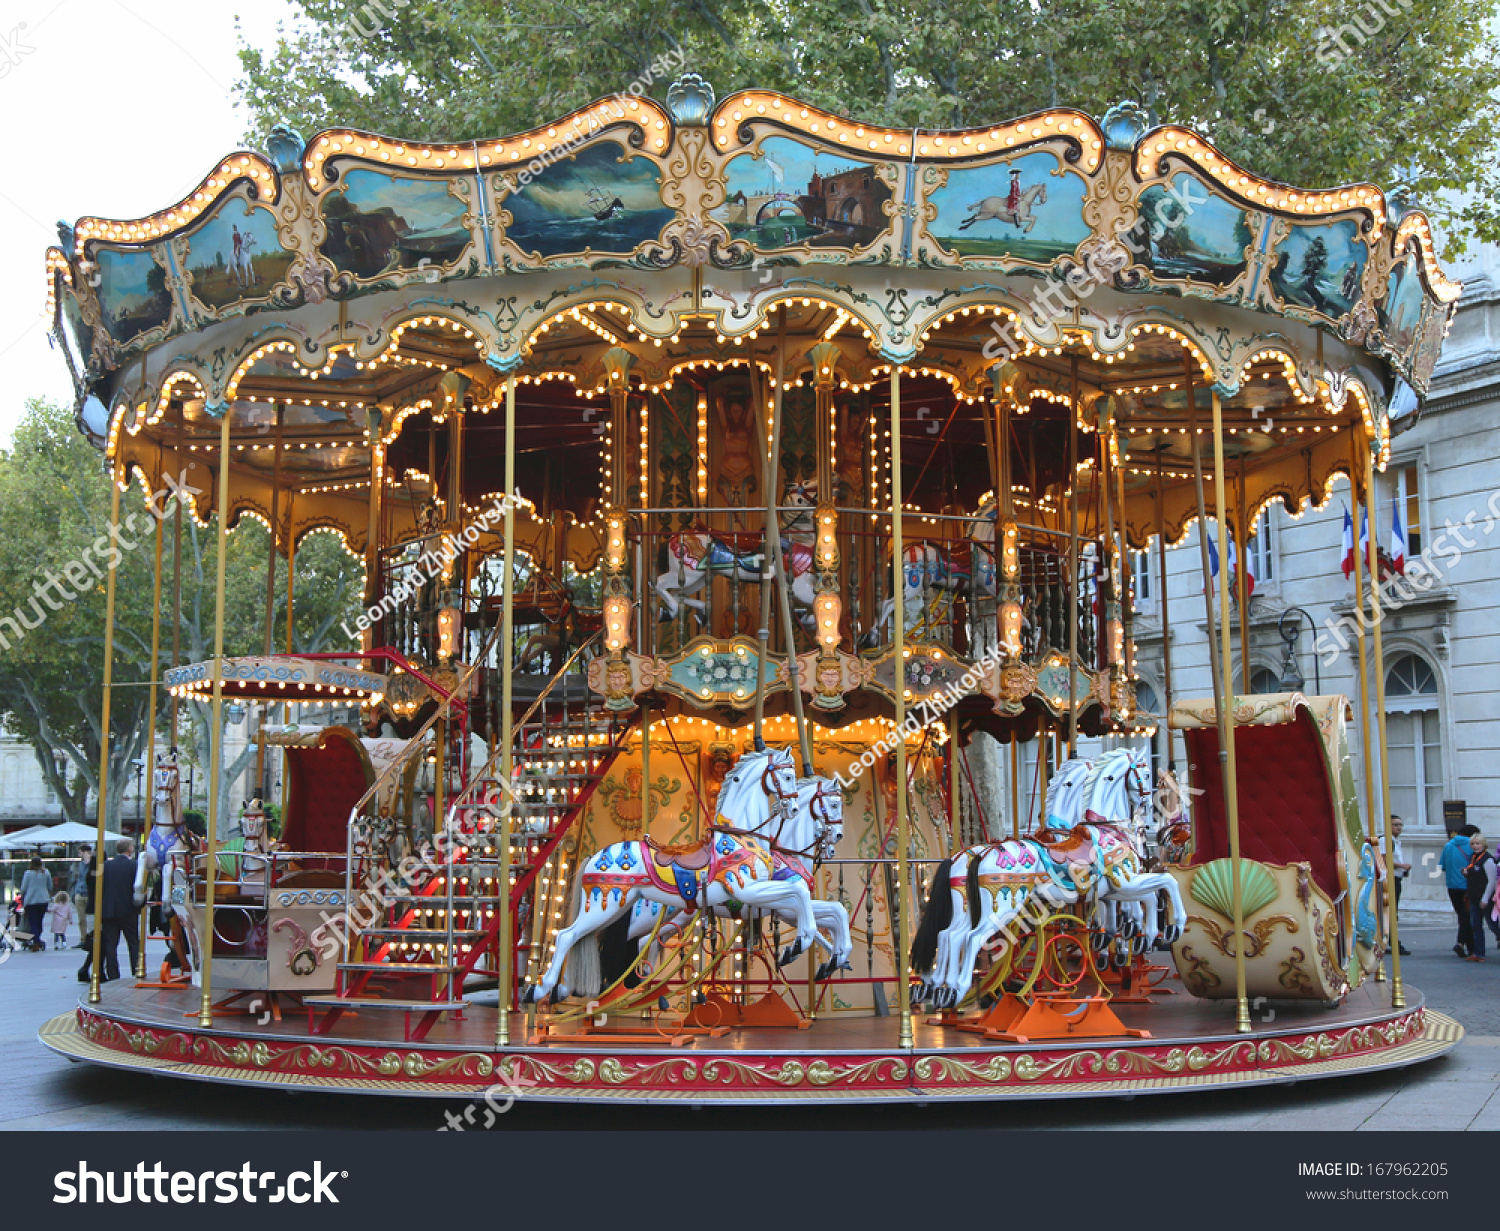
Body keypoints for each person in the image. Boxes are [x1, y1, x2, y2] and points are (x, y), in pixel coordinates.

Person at [96, 839, 139, 982]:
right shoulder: (134, 865)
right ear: (129, 849)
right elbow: (139, 888)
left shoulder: (105, 866)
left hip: (109, 911)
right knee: (133, 943)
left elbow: (99, 887)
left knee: (111, 944)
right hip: (128, 910)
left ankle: (113, 974)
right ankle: (136, 970)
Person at [1442, 824, 1481, 957]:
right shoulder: (1472, 846)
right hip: (1467, 886)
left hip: (1452, 886)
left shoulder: (1448, 846)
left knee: (1462, 915)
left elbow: (1443, 866)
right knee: (1467, 916)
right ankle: (1462, 944)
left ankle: (1466, 946)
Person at [1464, 834, 1500, 962]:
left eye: (1477, 843)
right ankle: (1479, 953)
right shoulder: (1473, 858)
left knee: (1493, 925)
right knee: (1476, 925)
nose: (1475, 846)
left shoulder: (1488, 859)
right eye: (1473, 844)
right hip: (1474, 895)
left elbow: (1491, 881)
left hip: (1485, 897)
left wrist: (1485, 898)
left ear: (1484, 845)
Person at [19, 857, 52, 953]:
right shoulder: (46, 873)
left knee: (33, 922)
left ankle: (36, 942)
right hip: (43, 900)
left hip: (31, 901)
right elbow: (50, 886)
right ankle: (37, 939)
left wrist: (22, 898)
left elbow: (23, 888)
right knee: (39, 921)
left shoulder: (28, 874)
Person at [1390, 816, 1412, 956]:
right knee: (1391, 911)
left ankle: (1391, 940)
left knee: (1393, 911)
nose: (1399, 827)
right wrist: (1401, 866)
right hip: (1390, 878)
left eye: (1400, 824)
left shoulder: (1395, 841)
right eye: (1395, 824)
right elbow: (1384, 859)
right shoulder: (1386, 840)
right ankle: (1393, 942)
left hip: (1397, 877)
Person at [69, 846, 92, 950]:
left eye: (80, 852)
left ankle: (92, 938)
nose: (79, 855)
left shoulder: (93, 863)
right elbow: (78, 878)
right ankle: (83, 939)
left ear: (85, 852)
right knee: (81, 919)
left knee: (91, 918)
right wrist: (75, 893)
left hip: (89, 893)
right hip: (80, 893)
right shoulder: (80, 864)